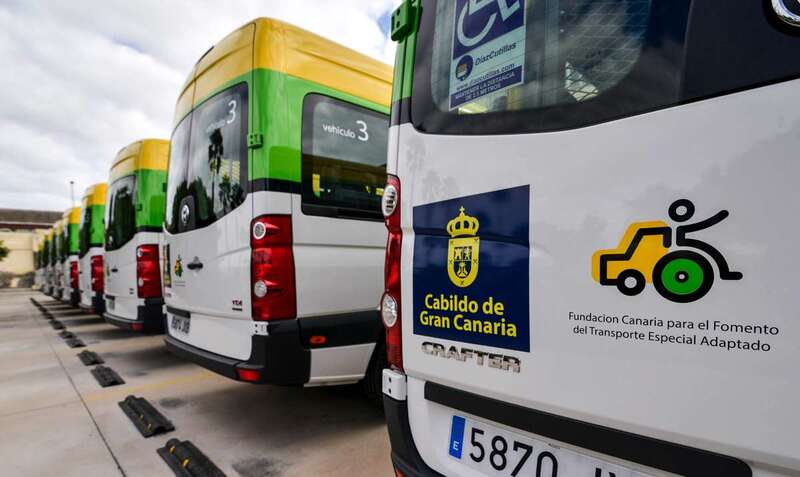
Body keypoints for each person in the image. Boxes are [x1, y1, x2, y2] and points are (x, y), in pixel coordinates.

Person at [669, 199, 743, 280]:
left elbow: (703, 224)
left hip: (685, 243)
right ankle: (724, 272)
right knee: (710, 251)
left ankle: (724, 272)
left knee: (711, 252)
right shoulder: (676, 228)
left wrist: (720, 216)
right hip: (682, 243)